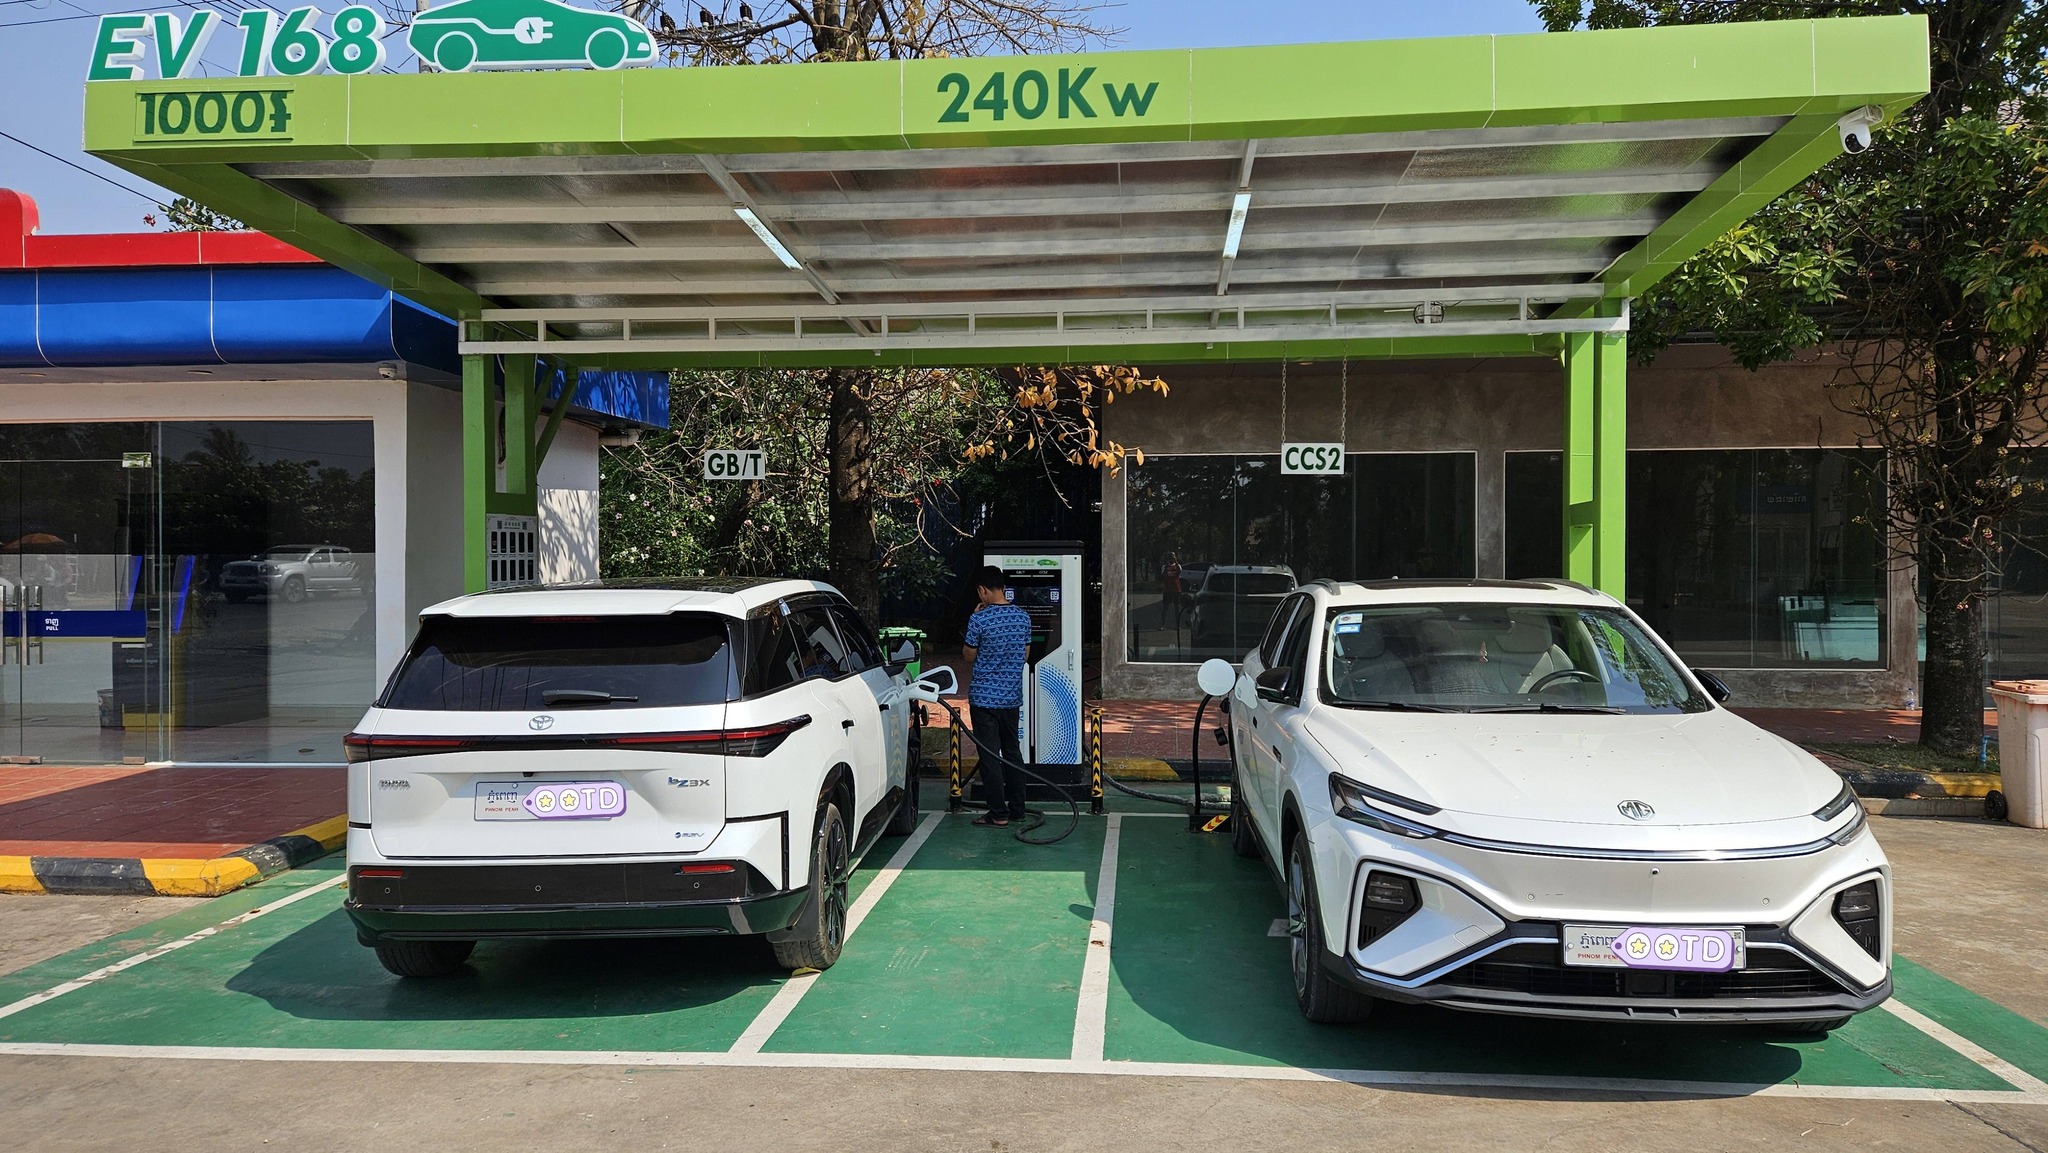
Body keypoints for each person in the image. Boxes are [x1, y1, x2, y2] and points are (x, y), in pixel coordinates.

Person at [961, 565, 1031, 828]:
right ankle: (1018, 809)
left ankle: (998, 814)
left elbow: (968, 656)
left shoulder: (979, 619)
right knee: (1012, 752)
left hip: (984, 700)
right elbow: (1025, 655)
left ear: (982, 590)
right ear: (1003, 587)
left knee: (990, 756)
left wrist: (974, 618)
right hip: (1011, 698)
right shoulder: (1023, 617)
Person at [1160, 551, 1183, 628]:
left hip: (1176, 589)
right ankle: (1162, 625)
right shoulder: (1164, 567)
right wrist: (1167, 564)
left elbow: (1179, 572)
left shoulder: (1178, 566)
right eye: (1170, 557)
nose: (1171, 559)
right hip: (1168, 589)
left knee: (1177, 608)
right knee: (1165, 607)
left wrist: (1176, 562)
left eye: (1173, 557)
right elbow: (1163, 575)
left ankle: (1177, 625)